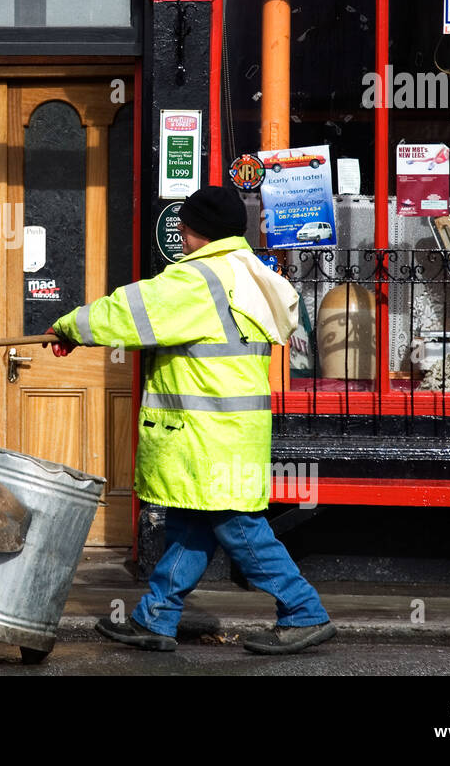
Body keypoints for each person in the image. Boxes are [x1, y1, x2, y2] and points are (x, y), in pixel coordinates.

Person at [46, 185, 335, 655]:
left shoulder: (199, 280)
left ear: (198, 230)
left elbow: (127, 311)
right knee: (189, 527)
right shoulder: (247, 273)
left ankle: (304, 612)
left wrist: (68, 327)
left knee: (239, 528)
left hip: (208, 435)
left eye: (183, 225)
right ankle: (155, 618)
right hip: (226, 430)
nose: (178, 233)